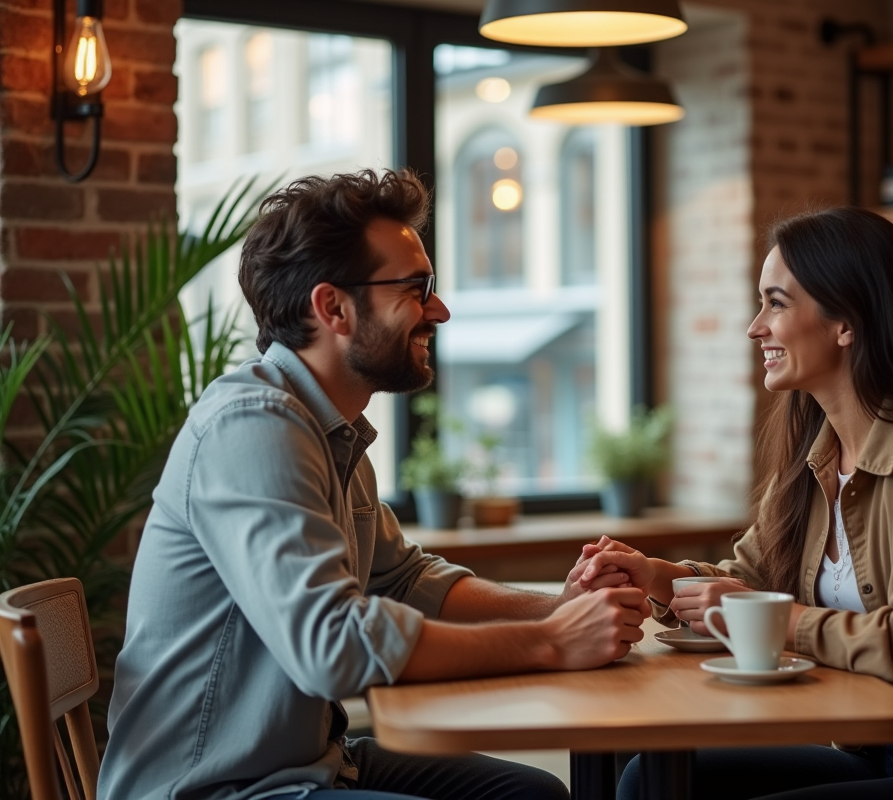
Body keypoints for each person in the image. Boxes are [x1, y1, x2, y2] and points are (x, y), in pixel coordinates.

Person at [97, 169, 649, 800]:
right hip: (217, 787)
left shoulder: (332, 429)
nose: (439, 310)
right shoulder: (253, 427)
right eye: (416, 288)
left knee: (533, 796)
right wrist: (550, 642)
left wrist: (557, 608)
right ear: (332, 307)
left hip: (308, 762)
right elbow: (331, 646)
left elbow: (405, 580)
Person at [577, 207, 893, 800]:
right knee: (650, 779)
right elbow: (751, 581)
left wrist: (779, 621)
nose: (755, 328)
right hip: (879, 750)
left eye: (776, 303)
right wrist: (655, 576)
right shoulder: (818, 452)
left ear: (845, 323)